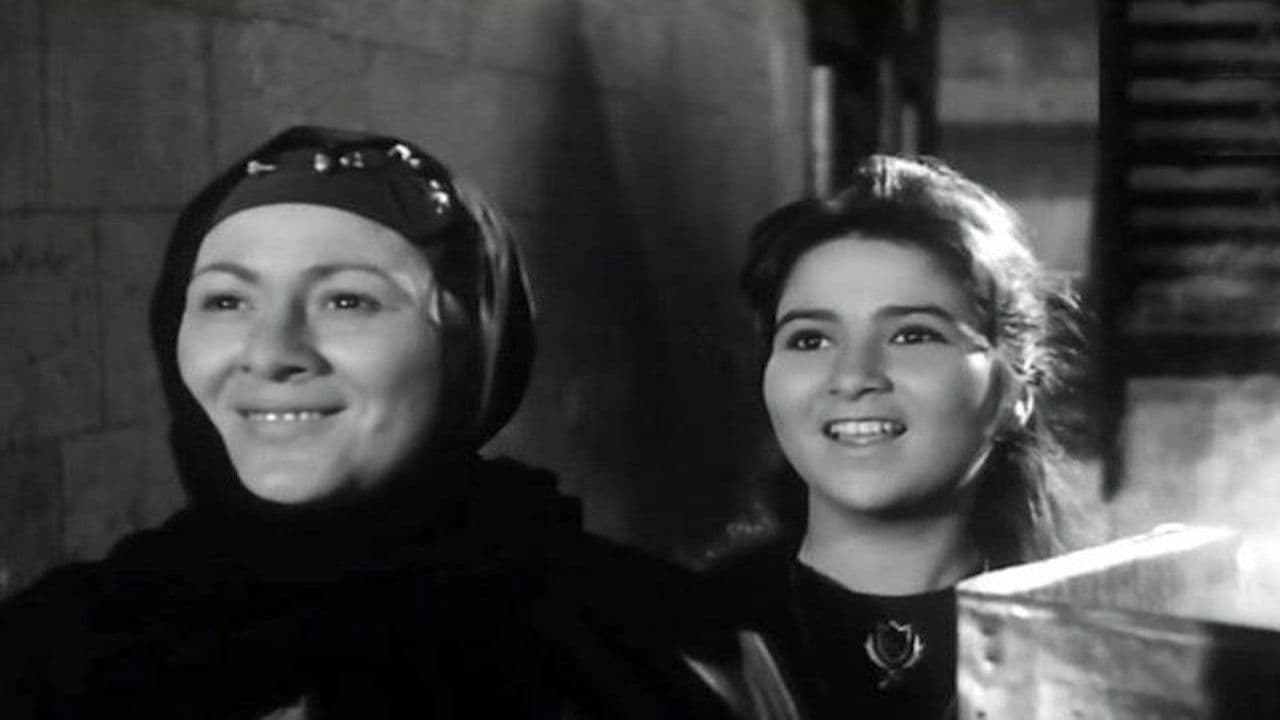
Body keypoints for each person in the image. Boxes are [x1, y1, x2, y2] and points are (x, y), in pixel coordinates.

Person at [0, 126, 740, 719]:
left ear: (471, 348)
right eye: (227, 301)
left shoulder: (644, 647)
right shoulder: (62, 652)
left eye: (347, 301)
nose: (272, 352)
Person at [712, 155, 1093, 719]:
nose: (853, 377)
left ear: (1016, 391)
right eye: (810, 340)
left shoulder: (1103, 647)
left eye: (913, 335)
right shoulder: (680, 636)